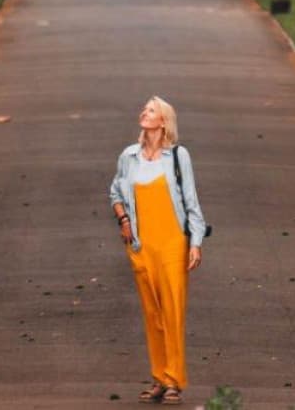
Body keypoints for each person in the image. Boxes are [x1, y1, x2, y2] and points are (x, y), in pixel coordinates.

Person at [108, 96, 208, 403]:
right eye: (144, 108)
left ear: (163, 121)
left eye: (151, 110)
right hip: (141, 246)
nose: (144, 112)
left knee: (173, 311)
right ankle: (159, 378)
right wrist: (123, 219)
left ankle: (175, 380)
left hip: (172, 244)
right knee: (152, 314)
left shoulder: (178, 157)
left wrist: (195, 243)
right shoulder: (129, 156)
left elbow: (191, 202)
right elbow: (115, 192)